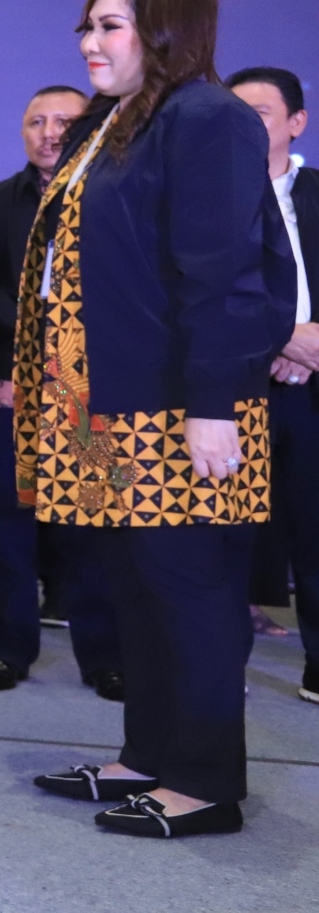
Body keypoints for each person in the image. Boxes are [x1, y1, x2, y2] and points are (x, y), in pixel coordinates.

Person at [24, 0, 292, 838]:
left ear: (167, 30)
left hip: (179, 406)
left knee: (193, 591)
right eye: (87, 26)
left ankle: (206, 782)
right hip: (103, 404)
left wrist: (214, 404)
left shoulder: (207, 118)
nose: (89, 43)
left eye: (110, 26)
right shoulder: (112, 122)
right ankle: (147, 756)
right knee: (134, 588)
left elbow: (227, 274)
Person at [0, 85, 123, 695]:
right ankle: (10, 648)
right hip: (8, 384)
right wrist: (37, 326)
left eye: (64, 121)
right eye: (36, 122)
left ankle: (103, 655)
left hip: (93, 387)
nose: (50, 132)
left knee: (93, 520)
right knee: (8, 524)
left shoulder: (116, 196)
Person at [228, 65, 319, 702]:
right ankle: (220, 662)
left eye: (258, 112)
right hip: (234, 386)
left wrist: (312, 347)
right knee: (227, 534)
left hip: (311, 389)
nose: (243, 124)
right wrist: (280, 338)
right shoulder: (206, 193)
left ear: (296, 122)